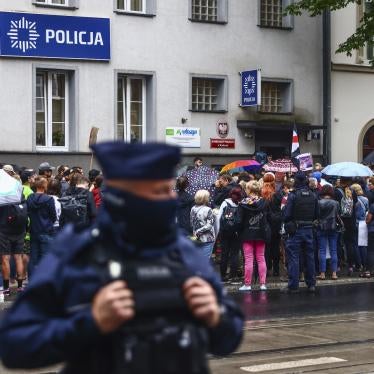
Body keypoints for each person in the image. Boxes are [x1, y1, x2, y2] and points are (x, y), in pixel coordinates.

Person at [0, 141, 243, 373]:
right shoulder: (78, 251)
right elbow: (14, 344)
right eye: (156, 192)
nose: (169, 199)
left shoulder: (183, 252)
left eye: (168, 189)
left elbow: (228, 338)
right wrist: (91, 322)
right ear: (123, 196)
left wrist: (216, 317)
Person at [282, 172, 319, 293]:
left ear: (297, 181)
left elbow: (287, 214)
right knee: (310, 257)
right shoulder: (313, 195)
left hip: (296, 229)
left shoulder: (293, 195)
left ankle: (293, 285)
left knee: (294, 257)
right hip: (309, 229)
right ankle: (311, 284)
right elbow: (317, 214)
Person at [238, 181, 270, 291]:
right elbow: (268, 218)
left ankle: (247, 284)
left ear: (249, 190)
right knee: (261, 258)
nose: (245, 190)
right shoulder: (264, 202)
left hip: (247, 234)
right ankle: (263, 284)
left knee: (248, 259)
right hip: (261, 233)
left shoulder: (243, 203)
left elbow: (239, 221)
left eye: (246, 189)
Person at [26, 176, 57, 276]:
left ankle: (32, 280)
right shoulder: (49, 199)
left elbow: (28, 212)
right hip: (46, 230)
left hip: (34, 230)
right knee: (46, 258)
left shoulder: (30, 198)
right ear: (45, 185)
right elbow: (53, 216)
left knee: (33, 258)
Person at [217, 187, 242, 282]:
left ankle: (223, 276)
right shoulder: (240, 204)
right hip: (236, 232)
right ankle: (233, 275)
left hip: (224, 232)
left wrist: (219, 231)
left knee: (224, 254)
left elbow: (219, 217)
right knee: (234, 254)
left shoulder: (225, 203)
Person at [317, 185, 340, 280]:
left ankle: (322, 273)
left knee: (322, 250)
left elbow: (317, 215)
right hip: (333, 227)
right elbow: (338, 214)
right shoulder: (336, 203)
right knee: (333, 250)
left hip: (321, 227)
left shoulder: (318, 202)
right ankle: (334, 273)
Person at [262, 172, 282, 277]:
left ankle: (267, 268)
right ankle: (277, 270)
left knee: (266, 247)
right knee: (276, 246)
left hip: (266, 223)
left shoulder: (262, 194)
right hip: (276, 223)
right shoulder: (278, 194)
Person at [190, 189, 216, 258]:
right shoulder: (208, 209)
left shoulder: (193, 208)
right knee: (205, 261)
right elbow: (210, 225)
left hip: (196, 237)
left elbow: (192, 222)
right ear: (205, 198)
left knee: (197, 259)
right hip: (207, 238)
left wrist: (196, 231)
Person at [351, 183, 369, 276]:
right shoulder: (365, 199)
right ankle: (365, 264)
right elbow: (367, 210)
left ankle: (358, 264)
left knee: (355, 245)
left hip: (355, 223)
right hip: (363, 223)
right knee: (363, 244)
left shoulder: (352, 200)